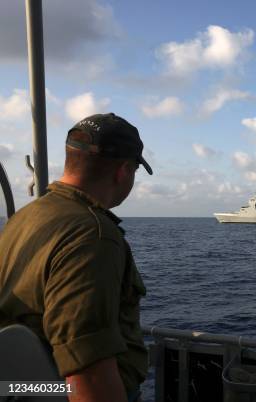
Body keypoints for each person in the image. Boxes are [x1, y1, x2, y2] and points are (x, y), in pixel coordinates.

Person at [0, 113, 153, 402]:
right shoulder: (94, 235)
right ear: (123, 171)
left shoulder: (24, 217)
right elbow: (88, 371)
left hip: (22, 389)